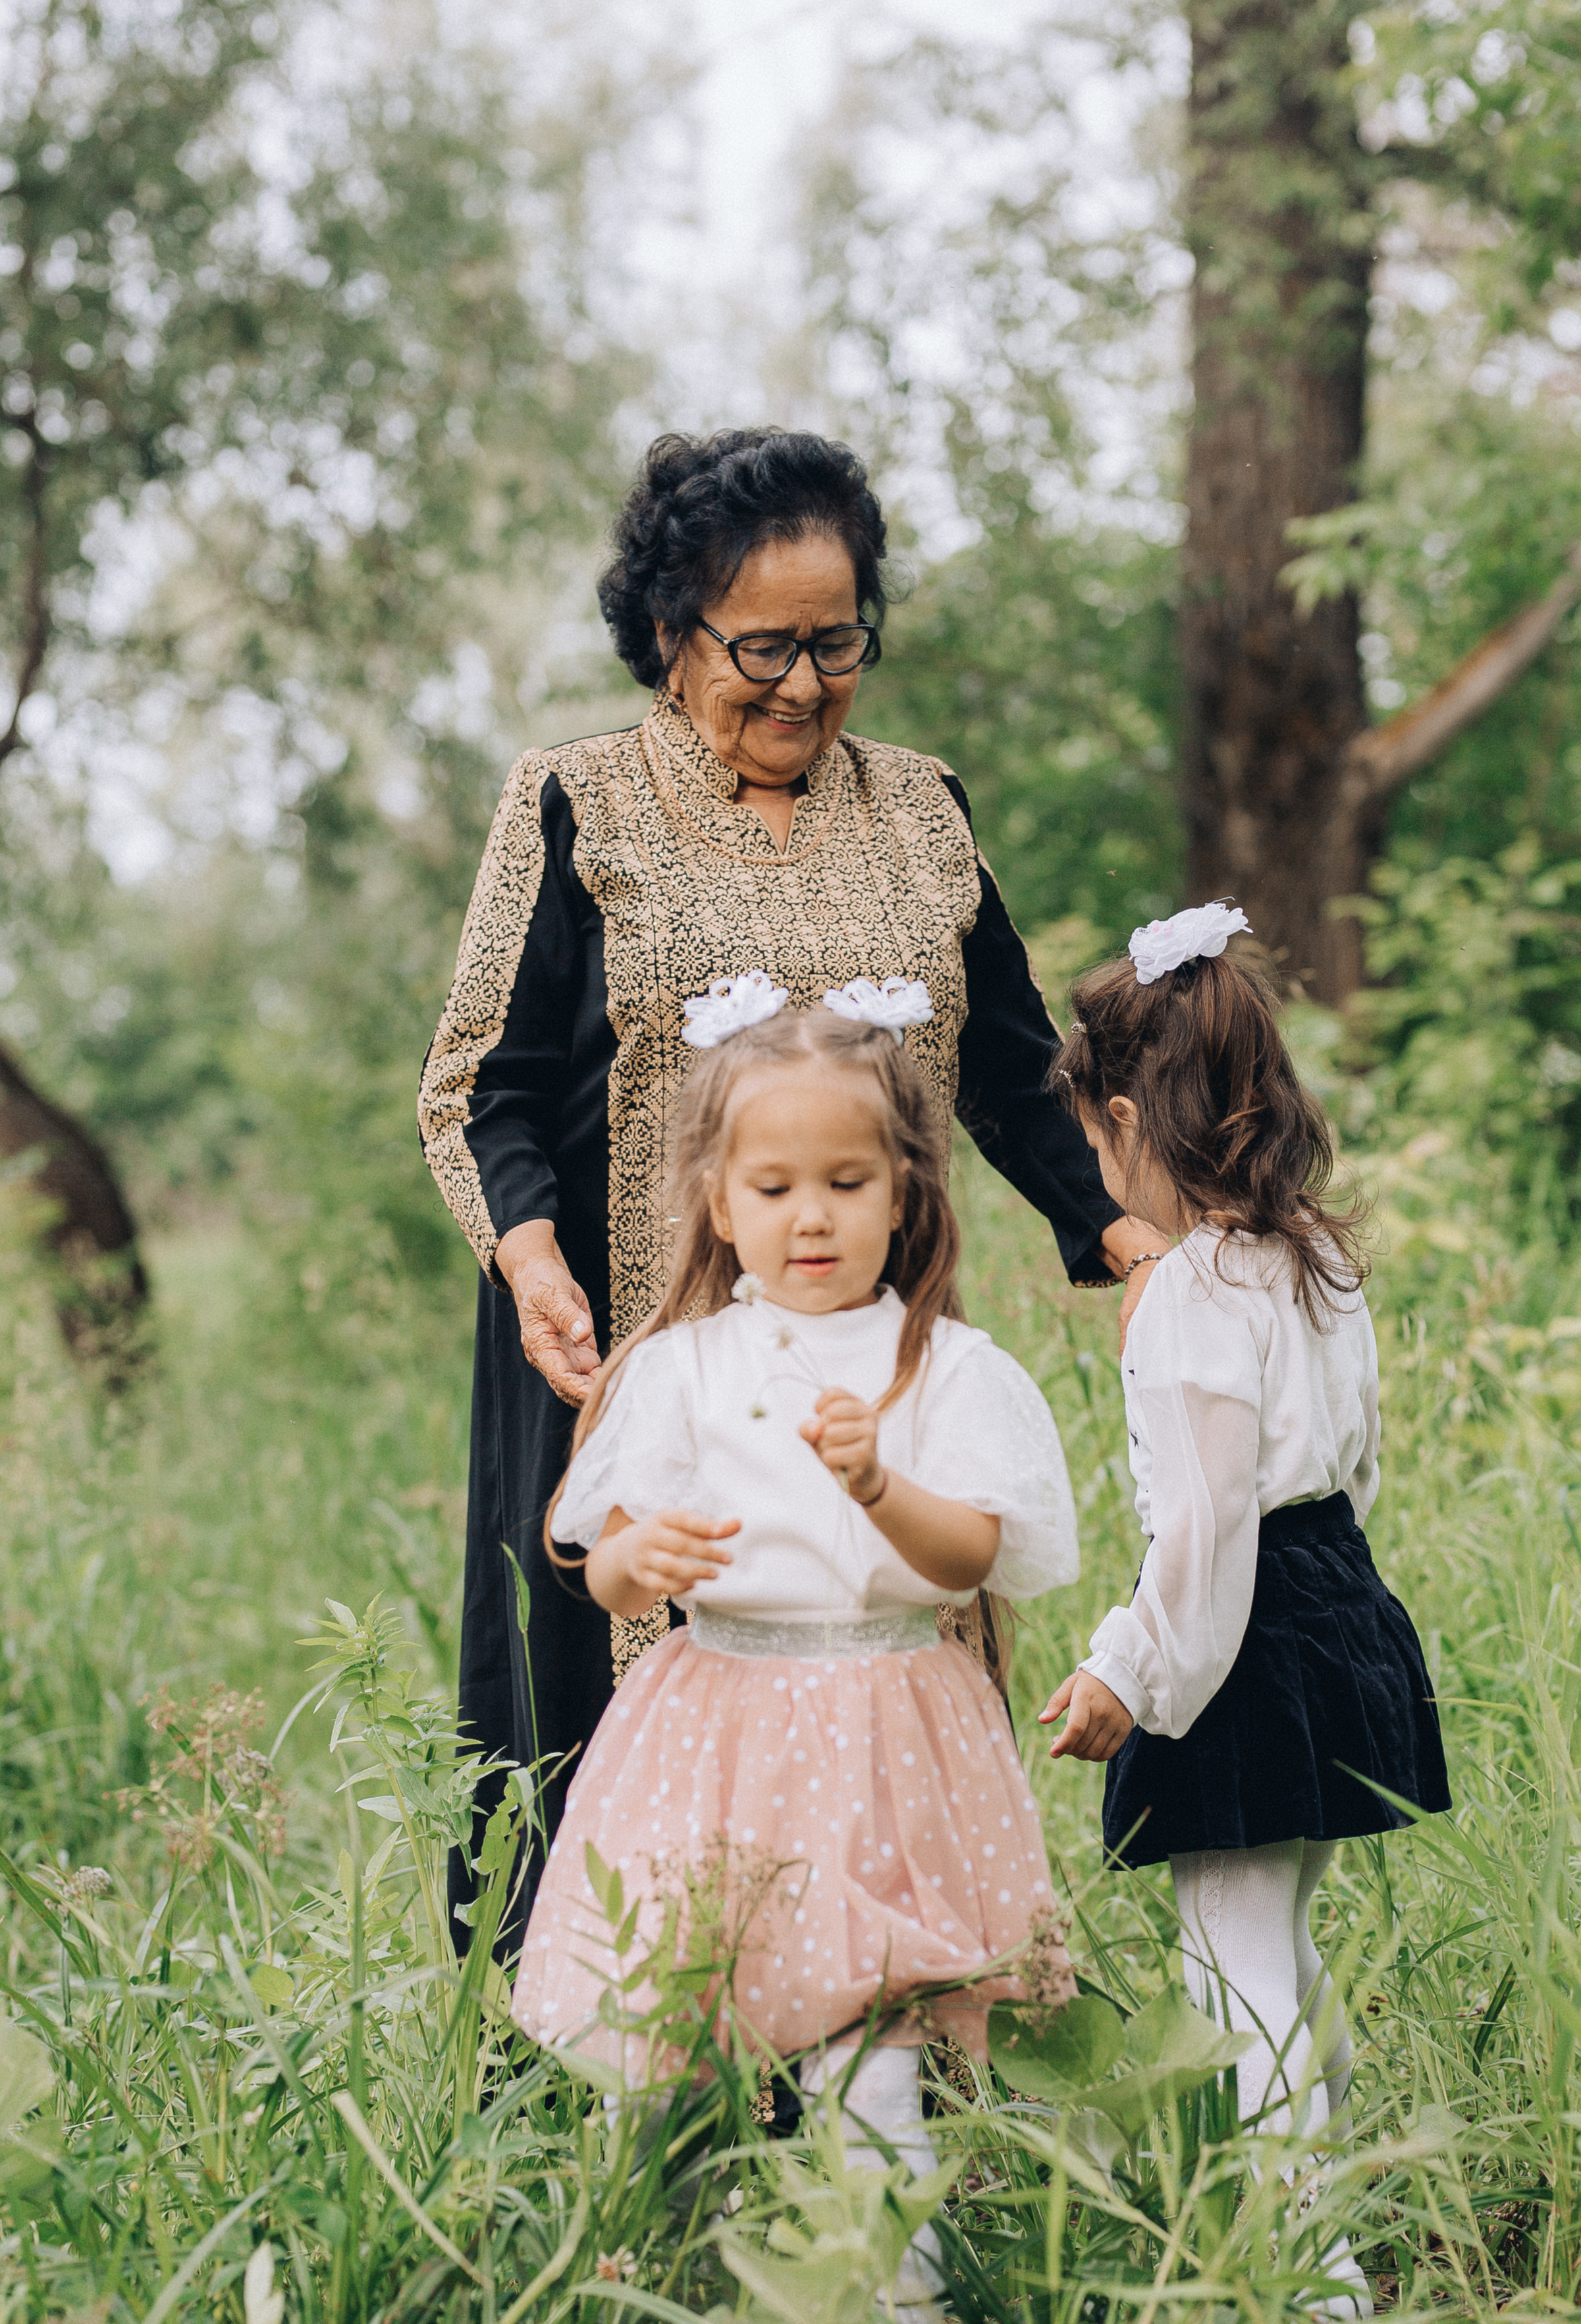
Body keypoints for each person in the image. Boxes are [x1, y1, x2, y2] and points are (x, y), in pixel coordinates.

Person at [418, 427, 1140, 1945]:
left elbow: (1011, 1065)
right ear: (672, 639)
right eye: (761, 646)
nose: (802, 685)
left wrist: (1121, 1231)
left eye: (837, 643)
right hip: (612, 1337)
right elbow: (487, 1080)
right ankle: (583, 2074)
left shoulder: (921, 809)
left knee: (867, 1656)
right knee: (598, 1699)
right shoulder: (576, 801)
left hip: (861, 1332)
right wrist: (534, 1267)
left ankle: (879, 2031)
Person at [510, 986, 1079, 2324]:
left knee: (868, 2067)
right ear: (717, 1202)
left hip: (885, 1724)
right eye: (772, 1186)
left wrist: (878, 1484)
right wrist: (637, 1565)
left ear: (905, 1195)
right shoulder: (683, 1368)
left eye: (844, 1181)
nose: (808, 1217)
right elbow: (600, 1560)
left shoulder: (941, 1366)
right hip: (714, 1726)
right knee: (656, 2064)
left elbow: (967, 1560)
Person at [1036, 902, 1451, 2317]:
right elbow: (1353, 1457)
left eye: (1094, 1144)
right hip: (1336, 1599)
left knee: (1233, 1957)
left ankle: (1306, 2269)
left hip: (1244, 1634)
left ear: (1125, 1122)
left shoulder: (1186, 1292)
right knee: (1284, 1931)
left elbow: (1207, 1521)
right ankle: (1326, 2201)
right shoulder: (1310, 1259)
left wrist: (1126, 1672)